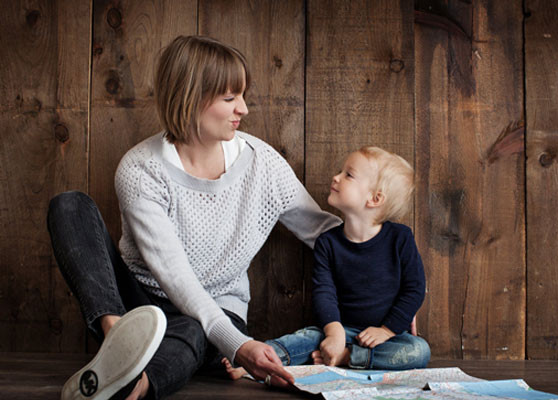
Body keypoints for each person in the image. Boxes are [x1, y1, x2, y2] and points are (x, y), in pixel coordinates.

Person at [47, 35, 341, 400]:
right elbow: (175, 277)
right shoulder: (141, 169)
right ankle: (118, 342)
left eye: (242, 96)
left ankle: (131, 386)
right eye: (230, 98)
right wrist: (242, 347)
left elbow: (325, 232)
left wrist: (395, 274)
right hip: (138, 304)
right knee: (69, 205)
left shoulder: (262, 164)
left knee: (191, 329)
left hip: (217, 312)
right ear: (190, 98)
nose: (244, 110)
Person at [224, 146, 430, 378]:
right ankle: (254, 362)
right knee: (304, 339)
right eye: (341, 171)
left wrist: (387, 330)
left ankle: (348, 358)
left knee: (419, 351)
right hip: (340, 329)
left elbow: (413, 289)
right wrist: (334, 333)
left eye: (348, 175)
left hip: (386, 338)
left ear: (375, 198)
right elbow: (324, 292)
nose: (336, 177)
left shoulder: (400, 238)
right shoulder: (328, 243)